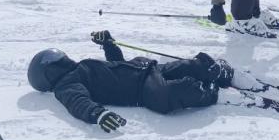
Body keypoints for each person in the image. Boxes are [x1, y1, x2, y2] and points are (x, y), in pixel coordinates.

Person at [27, 32, 255, 128]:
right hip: (140, 86)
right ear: (49, 73)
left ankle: (221, 72)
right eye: (57, 60)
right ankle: (213, 91)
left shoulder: (81, 66)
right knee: (165, 96)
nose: (64, 59)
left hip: (143, 69)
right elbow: (77, 102)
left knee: (183, 69)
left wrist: (109, 44)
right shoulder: (66, 86)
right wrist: (98, 114)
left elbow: (116, 65)